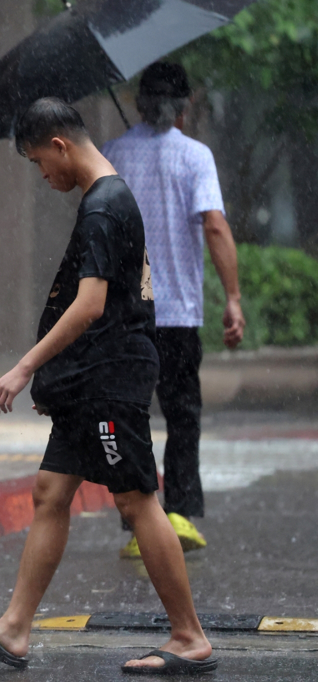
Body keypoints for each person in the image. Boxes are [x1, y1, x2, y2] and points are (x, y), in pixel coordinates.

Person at [0, 98, 217, 675]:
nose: (44, 176)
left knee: (136, 499)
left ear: (60, 146)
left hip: (110, 375)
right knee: (50, 492)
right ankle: (14, 629)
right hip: (92, 376)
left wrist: (23, 368)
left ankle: (189, 637)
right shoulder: (108, 198)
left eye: (41, 162)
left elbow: (89, 306)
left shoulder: (103, 207)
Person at [102, 62, 244, 558]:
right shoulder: (194, 156)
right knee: (183, 415)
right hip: (177, 313)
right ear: (184, 110)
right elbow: (215, 226)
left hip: (124, 314)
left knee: (130, 414)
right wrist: (233, 299)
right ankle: (178, 513)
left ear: (140, 105)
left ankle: (140, 519)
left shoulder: (113, 153)